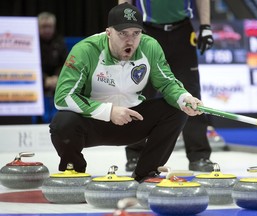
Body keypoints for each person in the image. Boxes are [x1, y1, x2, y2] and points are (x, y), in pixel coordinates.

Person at [49, 3, 205, 182]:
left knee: (177, 109)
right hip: (92, 122)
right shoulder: (85, 50)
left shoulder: (150, 47)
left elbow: (168, 83)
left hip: (132, 119)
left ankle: (146, 173)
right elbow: (63, 97)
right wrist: (109, 111)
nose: (130, 41)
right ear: (109, 32)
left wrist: (185, 98)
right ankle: (74, 172)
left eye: (136, 33)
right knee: (62, 123)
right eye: (122, 33)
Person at [119, 0, 217, 172]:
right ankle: (135, 153)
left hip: (182, 31)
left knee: (191, 92)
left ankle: (199, 155)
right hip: (146, 31)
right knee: (139, 91)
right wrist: (123, 29)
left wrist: (206, 26)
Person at [35, 12, 68, 123]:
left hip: (57, 79)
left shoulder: (59, 41)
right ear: (38, 27)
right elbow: (33, 66)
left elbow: (65, 64)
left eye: (50, 27)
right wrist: (45, 80)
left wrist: (57, 77)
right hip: (38, 79)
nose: (47, 30)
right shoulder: (33, 42)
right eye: (44, 27)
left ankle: (60, 121)